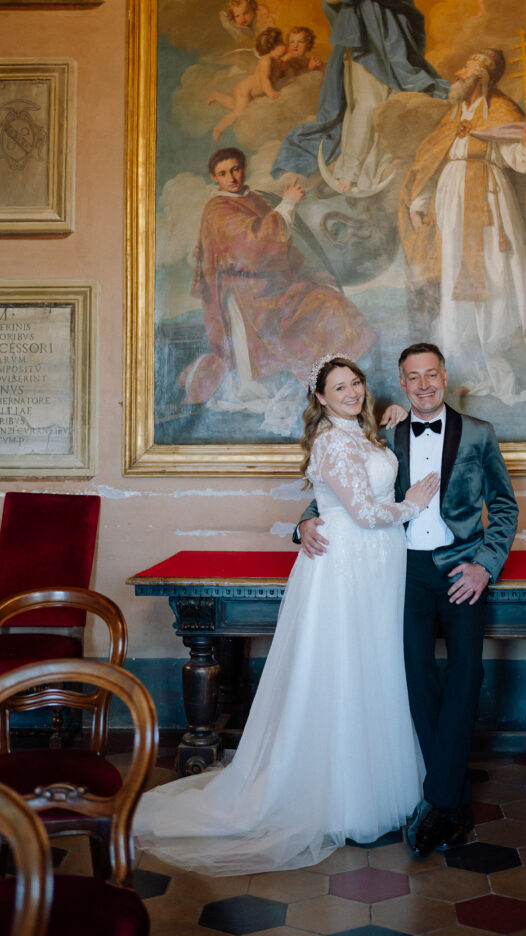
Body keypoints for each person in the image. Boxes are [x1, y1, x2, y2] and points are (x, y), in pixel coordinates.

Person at [134, 355, 440, 874]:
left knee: (376, 668)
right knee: (341, 669)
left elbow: (364, 485)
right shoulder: (330, 441)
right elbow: (364, 513)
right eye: (339, 387)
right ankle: (341, 798)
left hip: (380, 568)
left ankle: (375, 786)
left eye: (356, 383)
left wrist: (386, 416)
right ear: (319, 397)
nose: (351, 392)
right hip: (345, 566)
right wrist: (410, 504)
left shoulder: (367, 432)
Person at [298, 342, 518, 859]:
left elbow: (505, 505)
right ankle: (448, 801)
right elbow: (342, 485)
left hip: (461, 566)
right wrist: (303, 520)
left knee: (467, 674)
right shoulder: (385, 434)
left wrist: (485, 565)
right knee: (413, 676)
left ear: (445, 376)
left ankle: (441, 801)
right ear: (401, 383)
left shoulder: (480, 433)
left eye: (431, 375)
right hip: (401, 569)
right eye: (412, 377)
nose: (423, 385)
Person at [398, 49, 526, 405]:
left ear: (482, 76)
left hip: (491, 204)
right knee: (453, 276)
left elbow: (517, 161)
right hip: (449, 204)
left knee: (496, 275)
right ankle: (465, 370)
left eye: (465, 68)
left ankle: (503, 367)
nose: (457, 73)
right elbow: (433, 161)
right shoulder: (453, 115)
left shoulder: (503, 112)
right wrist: (418, 202)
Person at [179, 147, 376, 405]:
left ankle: (339, 382)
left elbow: (279, 249)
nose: (232, 178)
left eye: (235, 169)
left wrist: (311, 275)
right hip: (247, 293)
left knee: (332, 303)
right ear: (214, 177)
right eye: (223, 173)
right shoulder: (218, 209)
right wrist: (288, 203)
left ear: (244, 168)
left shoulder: (252, 199)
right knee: (303, 317)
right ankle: (313, 385)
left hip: (273, 283)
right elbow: (255, 245)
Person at [272, 0, 448, 194]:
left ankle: (373, 167)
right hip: (359, 42)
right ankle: (349, 170)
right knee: (360, 105)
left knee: (384, 103)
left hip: (388, 40)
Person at [208, 27, 287, 140]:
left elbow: (276, 77)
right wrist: (270, 92)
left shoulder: (277, 61)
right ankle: (218, 129)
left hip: (249, 92)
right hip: (245, 91)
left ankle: (217, 95)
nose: (285, 45)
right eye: (281, 43)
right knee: (238, 113)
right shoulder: (266, 60)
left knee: (235, 106)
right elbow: (265, 80)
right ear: (272, 47)